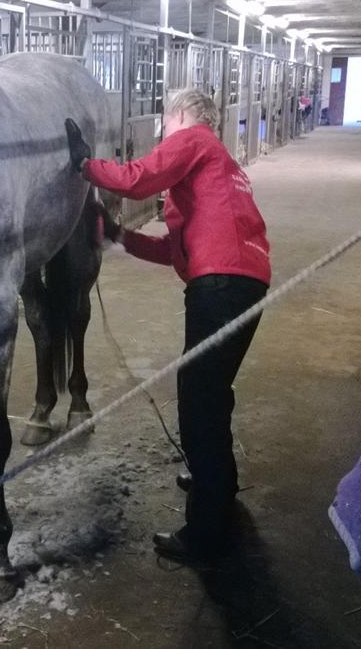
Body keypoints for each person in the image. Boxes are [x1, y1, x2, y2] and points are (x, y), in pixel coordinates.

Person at [64, 88, 271, 564]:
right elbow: (175, 251)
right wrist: (119, 236)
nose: (161, 129)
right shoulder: (217, 168)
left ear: (181, 114)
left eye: (164, 119)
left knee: (198, 395)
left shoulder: (194, 139)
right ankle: (217, 480)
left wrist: (86, 166)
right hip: (241, 282)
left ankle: (205, 533)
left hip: (221, 284)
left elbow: (137, 179)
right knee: (212, 389)